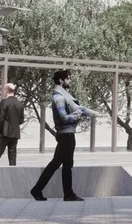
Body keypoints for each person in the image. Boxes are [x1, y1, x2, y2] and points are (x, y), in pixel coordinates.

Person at [31, 70, 97, 201]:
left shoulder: (62, 96)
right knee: (59, 164)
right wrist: (77, 115)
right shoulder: (59, 97)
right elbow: (64, 118)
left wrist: (93, 113)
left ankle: (65, 193)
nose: (70, 81)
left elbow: (81, 109)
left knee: (63, 164)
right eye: (68, 78)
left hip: (66, 135)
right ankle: (41, 190)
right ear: (61, 80)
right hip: (66, 136)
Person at [0, 82, 25, 166]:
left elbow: (1, 118)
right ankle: (13, 175)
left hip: (4, 133)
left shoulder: (4, 102)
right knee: (12, 157)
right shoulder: (20, 103)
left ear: (6, 90)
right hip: (15, 133)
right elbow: (21, 120)